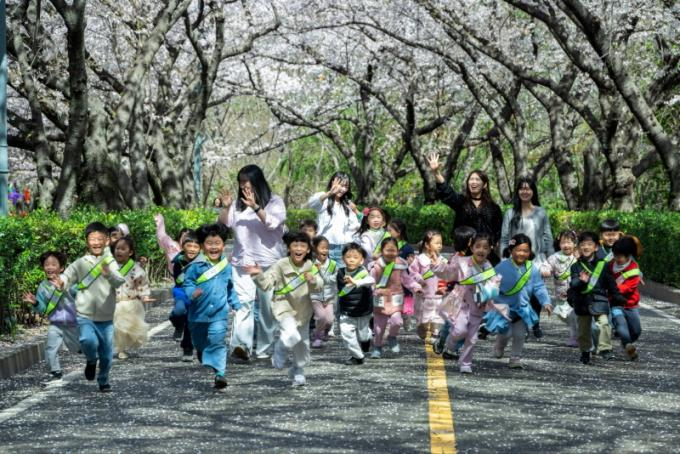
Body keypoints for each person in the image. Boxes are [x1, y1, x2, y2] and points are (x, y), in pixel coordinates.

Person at [217, 164, 286, 361]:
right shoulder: (237, 205)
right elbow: (224, 223)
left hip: (268, 263)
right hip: (242, 262)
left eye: (247, 182)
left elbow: (272, 223)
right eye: (241, 183)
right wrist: (226, 207)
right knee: (243, 304)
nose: (244, 187)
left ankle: (264, 349)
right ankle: (241, 346)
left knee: (267, 308)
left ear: (258, 182)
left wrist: (256, 207)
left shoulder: (275, 202)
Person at [55, 222, 126, 392]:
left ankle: (103, 380)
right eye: (92, 239)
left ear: (106, 241)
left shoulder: (110, 262)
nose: (96, 242)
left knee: (107, 356)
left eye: (100, 239)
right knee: (87, 340)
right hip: (84, 315)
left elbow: (119, 281)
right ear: (87, 241)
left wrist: (109, 275)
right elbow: (67, 276)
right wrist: (62, 282)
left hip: (106, 318)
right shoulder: (81, 262)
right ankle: (91, 360)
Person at [246, 231, 323, 386]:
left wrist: (313, 280)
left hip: (303, 310)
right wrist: (257, 275)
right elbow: (266, 284)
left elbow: (319, 286)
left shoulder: (311, 266)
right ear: (289, 248)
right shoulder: (281, 264)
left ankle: (298, 371)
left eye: (302, 246)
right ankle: (279, 350)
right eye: (295, 245)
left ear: (308, 249)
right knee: (291, 334)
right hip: (283, 307)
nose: (299, 249)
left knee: (302, 344)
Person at [182, 223, 241, 389]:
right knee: (200, 344)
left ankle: (220, 374)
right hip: (197, 314)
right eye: (209, 243)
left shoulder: (226, 266)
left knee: (217, 341)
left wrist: (235, 302)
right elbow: (188, 283)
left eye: (217, 243)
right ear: (202, 246)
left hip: (219, 314)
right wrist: (192, 293)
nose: (213, 247)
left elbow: (229, 286)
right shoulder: (195, 266)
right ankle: (202, 352)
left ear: (223, 245)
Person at [433, 233, 500, 374]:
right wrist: (437, 265)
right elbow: (449, 273)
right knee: (459, 331)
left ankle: (465, 363)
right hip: (461, 304)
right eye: (478, 246)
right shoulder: (462, 262)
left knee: (472, 338)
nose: (481, 250)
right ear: (471, 247)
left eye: (485, 247)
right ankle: (450, 344)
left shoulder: (489, 268)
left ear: (490, 249)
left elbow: (494, 285)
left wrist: (491, 292)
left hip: (478, 306)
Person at [484, 234, 553, 369]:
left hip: (522, 308)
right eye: (518, 250)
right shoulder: (501, 267)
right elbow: (492, 284)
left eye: (525, 251)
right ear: (511, 250)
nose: (522, 253)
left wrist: (546, 301)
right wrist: (486, 297)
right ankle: (500, 344)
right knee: (506, 332)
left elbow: (539, 287)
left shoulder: (532, 269)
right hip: (503, 308)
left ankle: (515, 357)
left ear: (530, 252)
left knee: (520, 334)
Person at [500, 176, 554, 339]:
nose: (525, 191)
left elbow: (547, 236)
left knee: (536, 293)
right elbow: (504, 238)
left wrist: (550, 260)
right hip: (515, 259)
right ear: (517, 191)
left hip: (536, 259)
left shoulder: (541, 212)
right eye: (522, 188)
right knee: (519, 293)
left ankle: (535, 323)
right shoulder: (510, 213)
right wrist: (504, 257)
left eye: (528, 188)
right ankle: (522, 324)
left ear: (533, 191)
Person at [428, 153, 503, 263]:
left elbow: (497, 232)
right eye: (471, 179)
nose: (473, 182)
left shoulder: (494, 207)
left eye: (477, 179)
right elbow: (447, 191)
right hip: (464, 254)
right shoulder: (461, 202)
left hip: (486, 255)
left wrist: (490, 246)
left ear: (484, 184)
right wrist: (436, 172)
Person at [567, 231, 627, 365]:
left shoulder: (603, 265)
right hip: (582, 302)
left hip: (599, 300)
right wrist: (581, 281)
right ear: (579, 247)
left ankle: (605, 349)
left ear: (596, 247)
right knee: (583, 331)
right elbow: (573, 284)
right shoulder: (575, 266)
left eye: (589, 244)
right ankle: (585, 351)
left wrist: (617, 296)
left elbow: (611, 283)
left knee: (604, 323)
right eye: (583, 245)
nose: (586, 247)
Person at [22, 251, 80, 384]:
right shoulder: (43, 287)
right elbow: (43, 309)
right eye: (46, 264)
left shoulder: (67, 281)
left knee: (78, 347)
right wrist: (35, 302)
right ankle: (55, 372)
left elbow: (80, 293)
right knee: (50, 347)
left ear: (62, 268)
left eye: (53, 264)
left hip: (73, 322)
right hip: (56, 323)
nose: (49, 267)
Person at [370, 237, 418, 358]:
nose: (390, 253)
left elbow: (407, 280)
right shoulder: (376, 266)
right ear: (382, 251)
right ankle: (377, 347)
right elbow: (371, 281)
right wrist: (373, 290)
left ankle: (392, 336)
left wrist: (416, 286)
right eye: (388, 250)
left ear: (398, 251)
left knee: (397, 321)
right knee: (379, 328)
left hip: (396, 297)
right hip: (380, 298)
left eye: (393, 250)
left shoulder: (400, 265)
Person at [111, 236, 152, 360]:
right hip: (115, 303)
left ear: (130, 252)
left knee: (131, 328)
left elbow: (142, 284)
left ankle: (124, 346)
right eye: (117, 248)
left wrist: (144, 295)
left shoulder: (136, 269)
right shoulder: (110, 267)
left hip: (131, 303)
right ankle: (120, 349)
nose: (119, 251)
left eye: (123, 249)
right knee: (119, 328)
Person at [307, 172, 361, 266]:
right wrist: (329, 193)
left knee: (341, 274)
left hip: (342, 248)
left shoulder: (347, 204)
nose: (343, 189)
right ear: (333, 182)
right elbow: (312, 204)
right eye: (340, 185)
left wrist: (350, 244)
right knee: (322, 273)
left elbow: (355, 226)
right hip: (323, 248)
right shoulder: (324, 198)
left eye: (346, 186)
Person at [337, 243, 376, 365]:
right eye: (348, 257)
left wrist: (356, 282)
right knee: (346, 334)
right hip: (346, 312)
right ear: (343, 259)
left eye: (355, 257)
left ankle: (368, 337)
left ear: (362, 260)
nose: (351, 260)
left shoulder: (363, 272)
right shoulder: (339, 272)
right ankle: (357, 356)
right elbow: (328, 281)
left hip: (363, 311)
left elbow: (371, 280)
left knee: (363, 337)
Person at [541, 230, 579, 347]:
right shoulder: (555, 257)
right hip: (561, 294)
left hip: (576, 293)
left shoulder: (578, 256)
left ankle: (575, 337)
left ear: (575, 243)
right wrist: (545, 270)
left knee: (573, 315)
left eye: (569, 242)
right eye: (563, 242)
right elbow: (546, 265)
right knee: (561, 314)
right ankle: (577, 332)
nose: (566, 245)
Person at [168, 231, 201, 361]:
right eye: (189, 246)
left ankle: (187, 348)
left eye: (195, 246)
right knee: (179, 311)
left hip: (195, 293)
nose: (192, 249)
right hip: (181, 291)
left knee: (190, 321)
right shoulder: (178, 261)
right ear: (183, 247)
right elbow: (178, 279)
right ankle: (177, 323)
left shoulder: (202, 262)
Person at [409, 230, 446, 341]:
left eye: (441, 243)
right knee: (423, 320)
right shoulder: (420, 259)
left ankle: (434, 336)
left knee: (437, 318)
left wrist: (444, 287)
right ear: (427, 245)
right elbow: (412, 273)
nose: (439, 245)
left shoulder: (442, 260)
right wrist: (419, 281)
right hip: (423, 296)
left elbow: (445, 275)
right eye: (437, 243)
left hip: (438, 296)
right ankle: (422, 329)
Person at [609, 237, 642, 361]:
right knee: (621, 325)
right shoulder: (610, 265)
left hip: (630, 304)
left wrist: (611, 287)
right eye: (615, 255)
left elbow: (627, 287)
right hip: (615, 303)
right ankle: (628, 345)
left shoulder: (634, 269)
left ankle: (626, 343)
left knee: (636, 330)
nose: (616, 259)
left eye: (619, 257)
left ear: (628, 256)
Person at [310, 235, 339, 349]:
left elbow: (332, 280)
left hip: (329, 297)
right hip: (315, 297)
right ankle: (317, 337)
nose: (325, 250)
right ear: (315, 249)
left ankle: (325, 331)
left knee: (330, 320)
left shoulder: (333, 264)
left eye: (327, 248)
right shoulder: (310, 264)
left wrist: (321, 271)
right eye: (322, 248)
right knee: (321, 317)